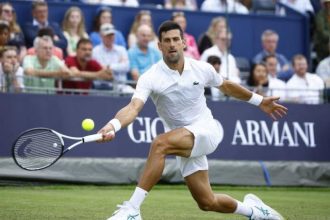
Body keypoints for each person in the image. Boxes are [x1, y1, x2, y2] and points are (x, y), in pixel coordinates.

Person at [98, 21, 287, 220]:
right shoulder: (150, 77)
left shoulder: (201, 68)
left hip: (206, 130)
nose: (172, 44)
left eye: (175, 40)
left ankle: (132, 210)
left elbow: (227, 86)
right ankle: (254, 211)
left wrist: (259, 101)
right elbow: (133, 107)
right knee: (207, 202)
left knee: (160, 144)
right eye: (167, 41)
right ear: (160, 46)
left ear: (183, 43)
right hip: (183, 139)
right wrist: (113, 125)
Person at [92, 23, 133, 93]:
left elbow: (127, 67)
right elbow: (101, 69)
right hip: (101, 87)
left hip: (121, 87)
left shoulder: (121, 49)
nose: (110, 38)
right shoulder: (95, 51)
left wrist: (109, 66)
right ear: (101, 36)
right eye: (107, 35)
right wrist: (119, 65)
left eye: (112, 35)